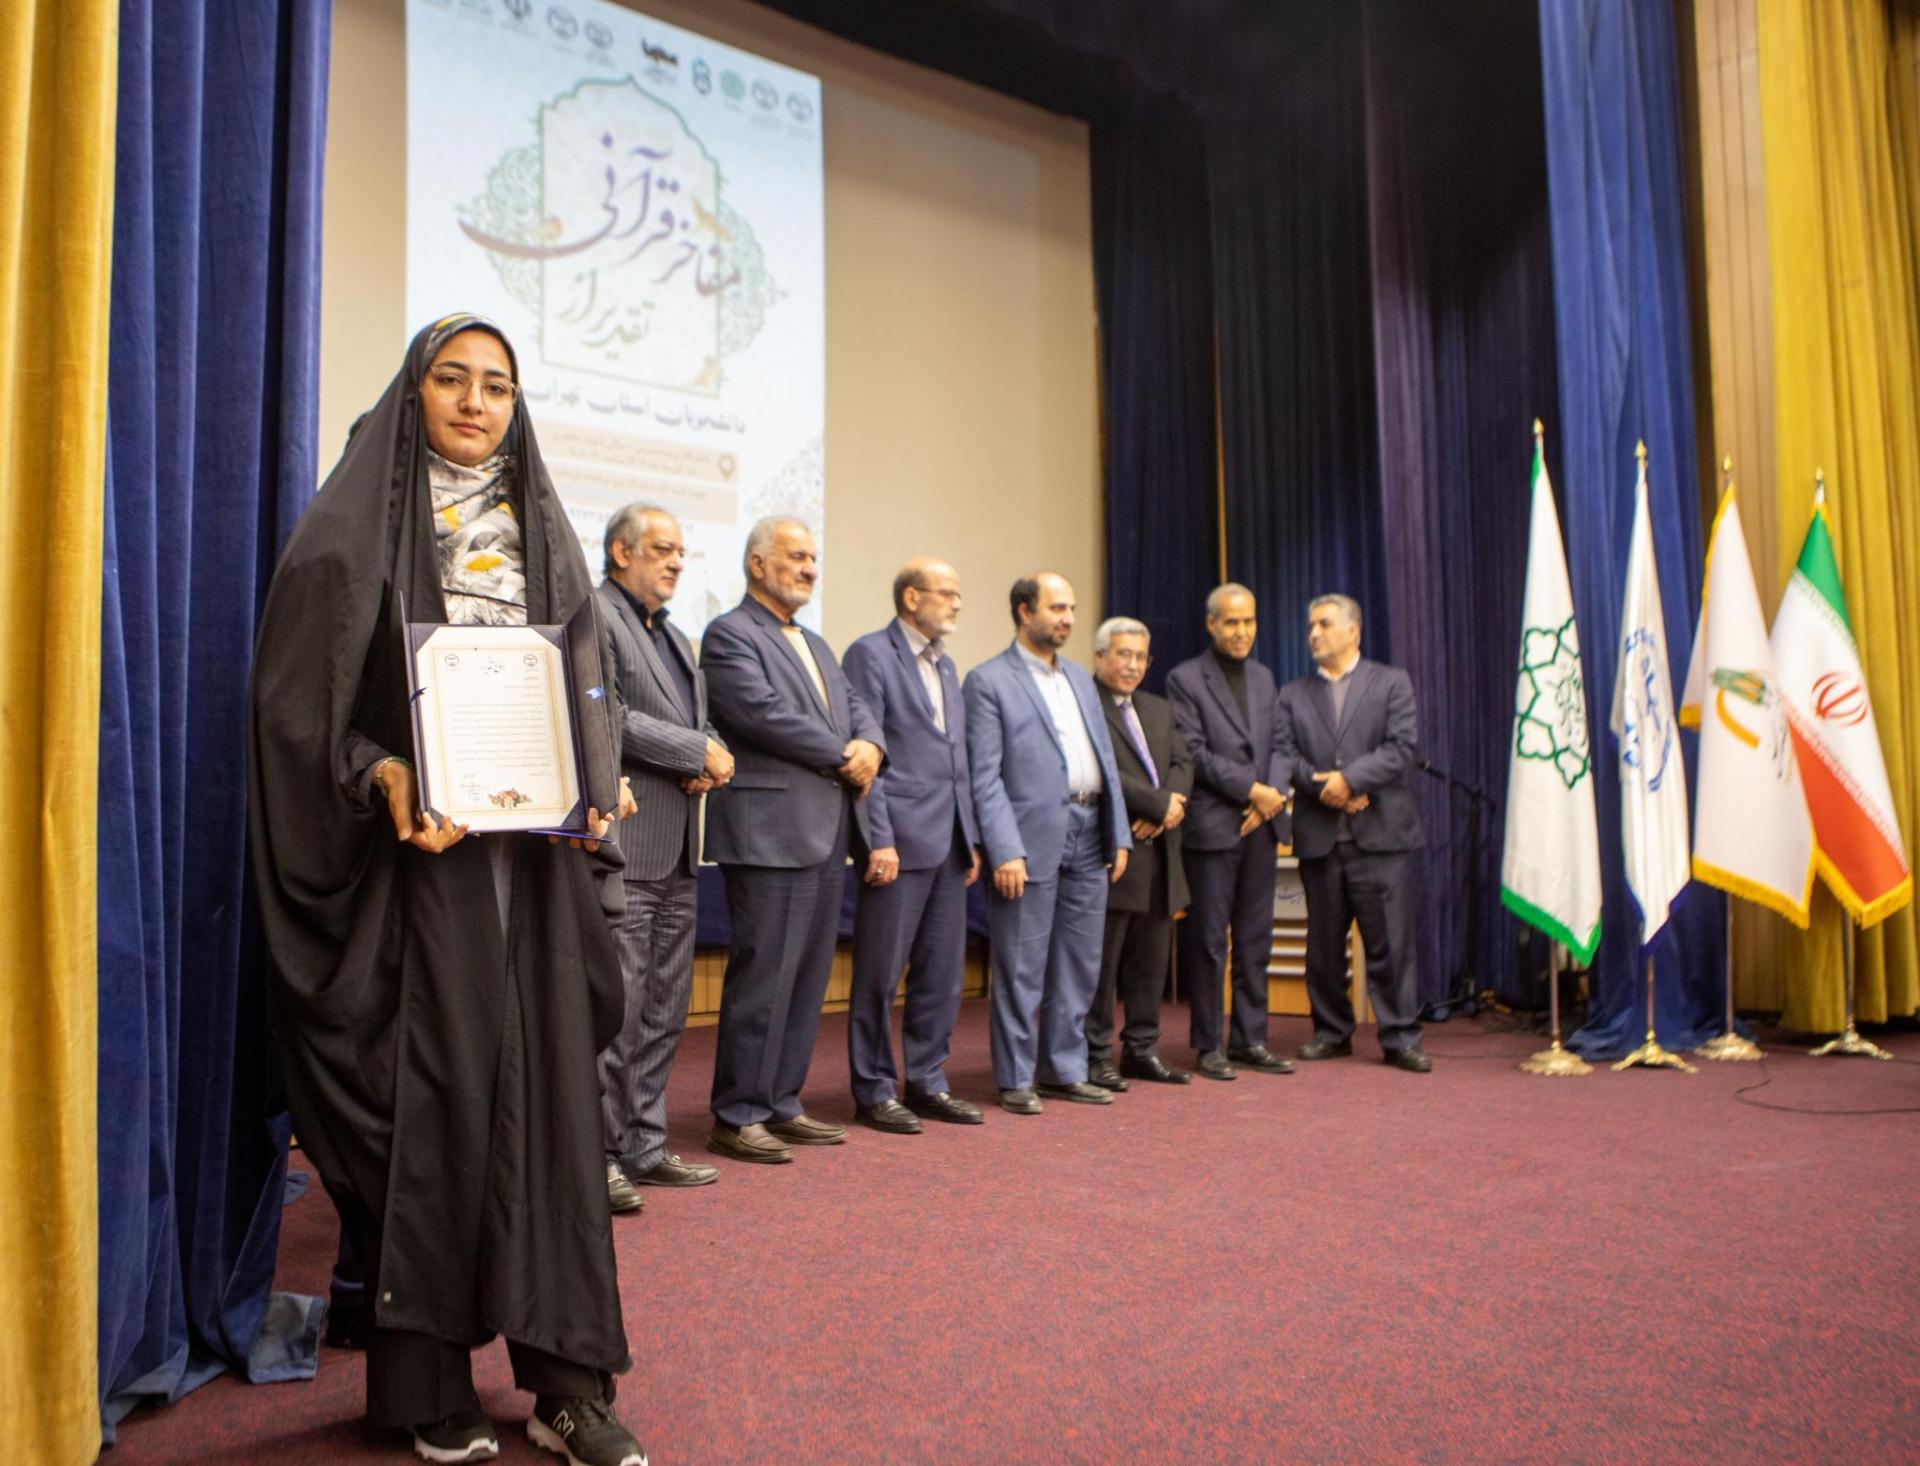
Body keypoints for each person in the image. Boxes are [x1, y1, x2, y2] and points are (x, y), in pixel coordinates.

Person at [249, 315, 647, 1465]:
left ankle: (568, 1382)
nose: (476, 402)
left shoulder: (547, 535)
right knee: (437, 1119)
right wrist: (380, 773)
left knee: (554, 1128)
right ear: (413, 391)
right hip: (417, 891)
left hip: (538, 881)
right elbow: (297, 716)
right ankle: (426, 1384)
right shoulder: (345, 540)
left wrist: (598, 780)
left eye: (498, 386)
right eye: (452, 379)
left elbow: (588, 689)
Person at [700, 517, 886, 1162]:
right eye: (796, 556)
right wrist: (846, 754)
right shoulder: (729, 633)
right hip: (769, 834)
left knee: (806, 979)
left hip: (824, 832)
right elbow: (761, 714)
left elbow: (857, 708)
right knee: (764, 979)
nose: (810, 568)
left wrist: (871, 744)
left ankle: (781, 1101)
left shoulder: (817, 643)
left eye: (813, 557)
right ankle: (738, 1114)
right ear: (757, 564)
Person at [596, 504, 732, 1212]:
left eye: (681, 550)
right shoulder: (596, 614)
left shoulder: (677, 635)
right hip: (629, 848)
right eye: (662, 548)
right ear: (622, 552)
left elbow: (698, 725)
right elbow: (607, 715)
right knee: (617, 1017)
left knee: (665, 1011)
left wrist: (709, 755)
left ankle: (645, 1145)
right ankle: (597, 1157)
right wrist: (693, 751)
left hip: (681, 851)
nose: (678, 561)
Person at [964, 572, 1130, 1114]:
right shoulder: (988, 680)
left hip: (1090, 829)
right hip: (1028, 839)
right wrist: (1004, 847)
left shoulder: (1081, 677)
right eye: (1057, 608)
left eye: (1072, 609)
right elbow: (984, 776)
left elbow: (1105, 758)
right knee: (1021, 965)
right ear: (1024, 611)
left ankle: (1063, 1069)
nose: (1068, 619)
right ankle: (1016, 1077)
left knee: (1079, 962)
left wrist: (1119, 832)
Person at [842, 558, 985, 1133]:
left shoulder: (946, 664)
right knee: (879, 976)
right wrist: (879, 838)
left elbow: (957, 761)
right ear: (910, 597)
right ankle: (874, 1090)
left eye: (957, 592)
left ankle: (928, 1081)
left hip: (949, 843)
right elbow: (869, 752)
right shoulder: (871, 654)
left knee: (941, 976)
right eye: (945, 592)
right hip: (897, 842)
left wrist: (970, 838)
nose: (956, 602)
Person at [1273, 593, 1430, 1071]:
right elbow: (1284, 755)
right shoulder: (1292, 694)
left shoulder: (1391, 683)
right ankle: (1330, 1032)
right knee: (1323, 947)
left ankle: (1400, 1037)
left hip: (1382, 837)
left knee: (1391, 945)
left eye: (1324, 624)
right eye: (1310, 626)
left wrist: (1351, 780)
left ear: (1353, 631)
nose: (1314, 634)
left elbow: (1400, 748)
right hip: (1321, 838)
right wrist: (1329, 790)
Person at [1166, 584, 1296, 1080]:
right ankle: (1208, 1044)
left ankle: (1250, 1039)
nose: (1243, 632)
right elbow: (1193, 752)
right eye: (1233, 622)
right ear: (1212, 624)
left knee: (1255, 938)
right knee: (1207, 942)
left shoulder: (1264, 677)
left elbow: (1282, 745)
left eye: (1249, 622)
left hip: (1260, 826)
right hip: (1213, 828)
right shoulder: (1185, 679)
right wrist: (1253, 791)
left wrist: (1272, 796)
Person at [1085, 617, 1195, 1089]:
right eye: (1123, 654)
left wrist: (1170, 806)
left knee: (1150, 961)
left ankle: (1142, 1049)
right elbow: (1100, 767)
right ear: (1100, 656)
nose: (1133, 665)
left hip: (1161, 853)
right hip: (1115, 849)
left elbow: (1183, 761)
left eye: (1141, 657)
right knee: (1101, 965)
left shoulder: (1158, 708)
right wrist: (1157, 804)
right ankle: (1094, 1055)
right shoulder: (1084, 704)